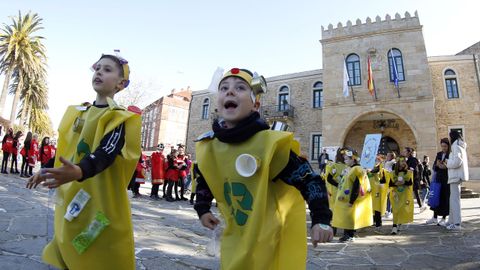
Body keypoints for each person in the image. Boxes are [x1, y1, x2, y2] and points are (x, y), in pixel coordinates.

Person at [194, 68, 333, 269]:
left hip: (269, 242)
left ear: (255, 105)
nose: (230, 92)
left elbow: (309, 179)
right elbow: (206, 177)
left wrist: (321, 219)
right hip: (236, 237)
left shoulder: (270, 145)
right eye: (224, 88)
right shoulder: (209, 146)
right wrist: (203, 208)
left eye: (240, 88)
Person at [26, 53, 141, 269]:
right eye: (98, 68)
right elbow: (67, 149)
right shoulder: (79, 113)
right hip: (73, 199)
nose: (99, 72)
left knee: (96, 251)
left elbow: (107, 152)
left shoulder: (119, 117)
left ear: (121, 84)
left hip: (100, 203)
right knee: (69, 245)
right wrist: (46, 170)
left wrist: (79, 171)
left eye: (107, 70)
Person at [332, 147, 373, 242]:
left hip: (349, 199)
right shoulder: (350, 169)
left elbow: (357, 186)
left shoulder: (357, 170)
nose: (345, 161)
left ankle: (349, 235)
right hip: (344, 198)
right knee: (346, 216)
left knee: (349, 217)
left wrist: (352, 200)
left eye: (346, 159)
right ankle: (347, 234)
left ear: (353, 159)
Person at [446, 130, 469, 231]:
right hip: (455, 176)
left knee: (455, 200)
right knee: (453, 200)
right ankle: (451, 221)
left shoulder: (455, 147)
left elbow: (457, 161)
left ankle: (456, 223)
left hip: (455, 176)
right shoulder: (459, 146)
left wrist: (447, 162)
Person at [426, 138, 450, 226]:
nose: (443, 148)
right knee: (436, 197)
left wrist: (441, 165)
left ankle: (444, 218)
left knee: (445, 198)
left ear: (448, 146)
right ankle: (434, 217)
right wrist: (438, 165)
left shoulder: (450, 154)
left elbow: (448, 167)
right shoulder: (439, 154)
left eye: (445, 146)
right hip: (438, 178)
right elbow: (435, 166)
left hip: (447, 179)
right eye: (442, 146)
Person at [388, 157, 414, 235]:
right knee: (395, 209)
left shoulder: (407, 172)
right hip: (396, 195)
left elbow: (410, 183)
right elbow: (390, 184)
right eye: (401, 161)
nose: (403, 163)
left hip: (404, 195)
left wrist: (404, 182)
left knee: (402, 209)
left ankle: (399, 223)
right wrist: (396, 183)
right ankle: (394, 226)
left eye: (404, 161)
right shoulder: (393, 173)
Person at [369, 154, 389, 232]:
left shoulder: (380, 168)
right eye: (374, 160)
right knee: (371, 205)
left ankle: (378, 224)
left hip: (377, 190)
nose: (375, 161)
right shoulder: (369, 168)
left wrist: (369, 170)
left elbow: (383, 179)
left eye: (377, 160)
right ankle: (373, 221)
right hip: (369, 189)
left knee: (377, 207)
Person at [404, 147, 426, 212]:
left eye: (405, 151)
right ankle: (420, 206)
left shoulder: (413, 159)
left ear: (408, 152)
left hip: (414, 179)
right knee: (413, 194)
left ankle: (420, 206)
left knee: (416, 193)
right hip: (409, 179)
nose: (404, 153)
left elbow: (414, 170)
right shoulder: (407, 160)